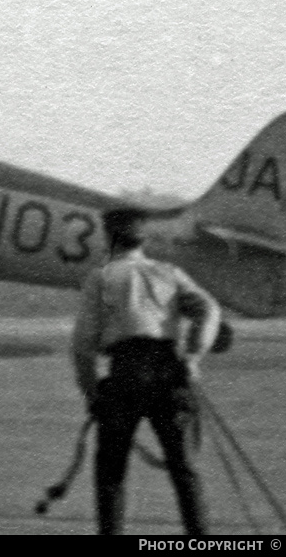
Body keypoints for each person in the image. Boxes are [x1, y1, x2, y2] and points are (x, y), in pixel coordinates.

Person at [72, 207, 221, 535]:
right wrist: (194, 355)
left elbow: (83, 346)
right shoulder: (170, 273)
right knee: (184, 470)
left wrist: (92, 392)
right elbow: (209, 310)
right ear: (143, 240)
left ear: (109, 237)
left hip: (125, 372)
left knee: (111, 471)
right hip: (169, 372)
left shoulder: (102, 278)